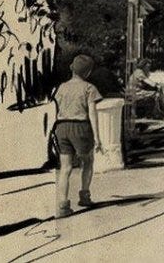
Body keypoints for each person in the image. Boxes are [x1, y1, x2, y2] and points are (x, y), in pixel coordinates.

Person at [52, 54, 104, 218]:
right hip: (81, 127)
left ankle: (62, 205)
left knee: (65, 168)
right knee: (87, 161)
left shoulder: (61, 87)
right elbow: (92, 114)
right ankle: (84, 195)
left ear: (71, 68)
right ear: (88, 72)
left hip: (62, 127)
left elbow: (56, 107)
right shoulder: (89, 88)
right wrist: (97, 138)